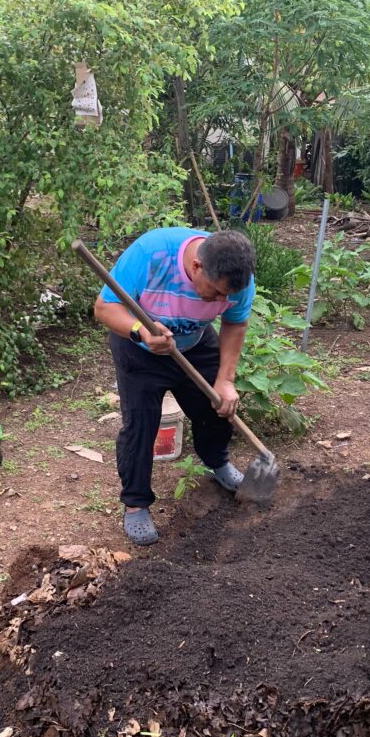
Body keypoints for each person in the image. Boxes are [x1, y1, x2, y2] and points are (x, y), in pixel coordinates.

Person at [94, 227, 256, 546]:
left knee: (217, 406)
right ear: (196, 266)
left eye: (227, 295)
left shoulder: (238, 279)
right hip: (140, 346)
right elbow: (104, 307)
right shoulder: (151, 254)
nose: (222, 300)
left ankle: (218, 462)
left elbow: (235, 323)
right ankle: (136, 503)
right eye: (216, 292)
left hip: (194, 342)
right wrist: (141, 331)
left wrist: (225, 380)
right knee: (141, 423)